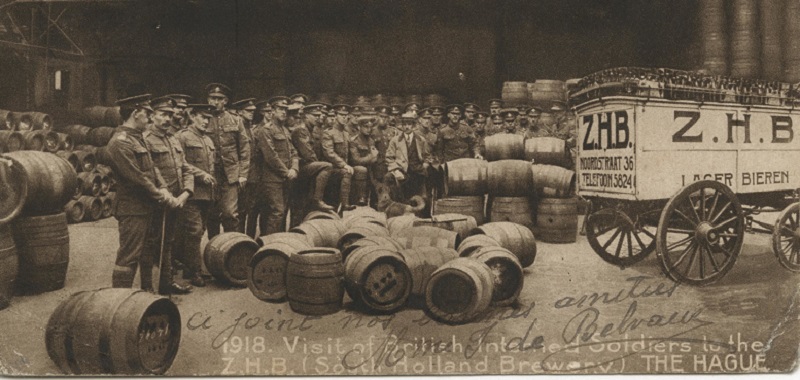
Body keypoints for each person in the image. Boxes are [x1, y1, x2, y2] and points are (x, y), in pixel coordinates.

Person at [106, 94, 177, 289]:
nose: (149, 117)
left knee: (147, 252)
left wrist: (163, 187)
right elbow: (136, 178)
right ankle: (119, 300)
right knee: (129, 256)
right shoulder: (120, 142)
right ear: (136, 113)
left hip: (147, 206)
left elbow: (152, 168)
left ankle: (146, 293)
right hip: (132, 209)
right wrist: (161, 195)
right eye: (147, 113)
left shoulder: (137, 138)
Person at [142, 96, 196, 295]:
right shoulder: (146, 140)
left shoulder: (173, 138)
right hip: (157, 201)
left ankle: (166, 282)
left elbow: (186, 168)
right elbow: (151, 171)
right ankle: (148, 287)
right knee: (151, 242)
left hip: (177, 201)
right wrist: (168, 196)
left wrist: (186, 193)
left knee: (169, 241)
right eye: (163, 114)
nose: (167, 119)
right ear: (152, 116)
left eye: (170, 115)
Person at [175, 104, 217, 287]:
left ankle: (189, 266)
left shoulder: (208, 140)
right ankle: (194, 273)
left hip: (207, 194)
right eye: (202, 117)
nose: (206, 121)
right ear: (192, 116)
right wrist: (201, 175)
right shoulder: (182, 137)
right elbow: (180, 163)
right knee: (193, 231)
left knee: (199, 232)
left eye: (208, 118)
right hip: (190, 192)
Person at [205, 83, 251, 238]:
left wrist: (243, 173)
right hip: (210, 174)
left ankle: (232, 248)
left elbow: (244, 148)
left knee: (230, 214)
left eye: (219, 98)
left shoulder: (236, 120)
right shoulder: (203, 119)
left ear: (225, 101)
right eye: (212, 98)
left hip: (230, 175)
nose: (215, 102)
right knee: (211, 215)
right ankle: (214, 249)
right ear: (208, 99)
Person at [251, 98, 299, 235]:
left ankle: (277, 240)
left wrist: (294, 168)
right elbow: (270, 157)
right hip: (271, 179)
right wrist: (286, 172)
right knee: (277, 211)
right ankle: (269, 244)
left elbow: (294, 152)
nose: (284, 112)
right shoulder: (266, 130)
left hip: (286, 177)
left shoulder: (284, 130)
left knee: (282, 211)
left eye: (285, 109)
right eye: (280, 109)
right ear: (272, 111)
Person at [287, 103, 335, 223]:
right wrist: (317, 168)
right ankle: (317, 200)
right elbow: (308, 154)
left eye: (319, 115)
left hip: (307, 170)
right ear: (306, 116)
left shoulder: (309, 130)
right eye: (315, 115)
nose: (319, 118)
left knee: (302, 206)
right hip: (301, 169)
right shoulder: (300, 130)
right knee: (297, 207)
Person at [385, 111, 433, 206]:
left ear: (413, 125)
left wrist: (425, 165)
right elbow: (389, 158)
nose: (407, 127)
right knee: (389, 178)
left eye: (409, 124)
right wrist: (395, 170)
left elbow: (427, 156)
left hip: (418, 172)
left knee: (422, 200)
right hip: (402, 172)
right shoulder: (395, 140)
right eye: (404, 124)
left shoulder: (421, 140)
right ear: (401, 126)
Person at [231, 98, 259, 236]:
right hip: (242, 174)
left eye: (253, 111)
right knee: (241, 210)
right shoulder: (237, 128)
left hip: (253, 174)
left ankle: (250, 237)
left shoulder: (250, 127)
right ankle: (241, 238)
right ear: (240, 112)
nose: (251, 113)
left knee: (252, 209)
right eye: (248, 111)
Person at [321, 104, 357, 212]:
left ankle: (358, 200)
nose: (344, 117)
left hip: (342, 168)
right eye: (341, 115)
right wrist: (344, 165)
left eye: (346, 115)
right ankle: (345, 203)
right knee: (347, 172)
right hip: (331, 168)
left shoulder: (346, 134)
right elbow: (329, 153)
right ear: (335, 115)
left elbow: (350, 153)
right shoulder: (328, 133)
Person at [349, 114, 380, 206]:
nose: (368, 129)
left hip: (370, 168)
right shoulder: (354, 141)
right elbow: (355, 160)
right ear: (359, 127)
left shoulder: (371, 141)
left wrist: (374, 158)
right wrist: (371, 157)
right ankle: (361, 197)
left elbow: (375, 157)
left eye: (370, 127)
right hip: (356, 169)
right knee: (362, 170)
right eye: (366, 127)